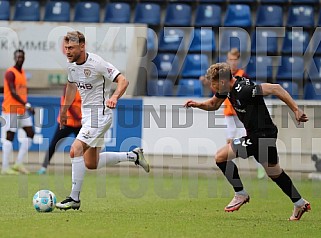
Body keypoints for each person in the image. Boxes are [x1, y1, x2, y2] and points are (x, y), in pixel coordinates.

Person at [184, 62, 310, 220]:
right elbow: (214, 104)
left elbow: (276, 88)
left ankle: (240, 194)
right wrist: (198, 105)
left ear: (222, 81)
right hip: (264, 134)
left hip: (261, 136)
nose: (212, 87)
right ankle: (299, 203)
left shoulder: (245, 89)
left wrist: (296, 109)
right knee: (274, 172)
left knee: (220, 157)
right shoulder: (227, 88)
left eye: (213, 84)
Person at [55, 31, 150, 211]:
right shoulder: (72, 66)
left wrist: (114, 97)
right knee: (91, 163)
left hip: (100, 115)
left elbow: (123, 80)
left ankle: (74, 198)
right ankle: (134, 156)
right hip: (88, 117)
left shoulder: (97, 63)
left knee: (75, 150)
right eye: (66, 48)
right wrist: (65, 110)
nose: (67, 51)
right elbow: (71, 86)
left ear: (82, 46)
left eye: (71, 48)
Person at [201, 48, 266, 179]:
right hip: (229, 113)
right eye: (230, 60)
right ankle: (231, 169)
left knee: (249, 142)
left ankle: (261, 167)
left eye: (235, 60)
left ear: (238, 61)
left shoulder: (242, 75)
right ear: (227, 61)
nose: (233, 63)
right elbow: (217, 94)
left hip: (242, 115)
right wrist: (207, 84)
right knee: (230, 142)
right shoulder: (221, 77)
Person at [1, 49, 35, 175]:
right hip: (11, 109)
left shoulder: (23, 73)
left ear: (24, 58)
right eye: (18, 57)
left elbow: (22, 91)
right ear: (14, 58)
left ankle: (18, 163)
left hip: (21, 109)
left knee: (30, 133)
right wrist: (26, 104)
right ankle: (5, 166)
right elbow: (13, 92)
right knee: (10, 136)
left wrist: (25, 105)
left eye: (22, 57)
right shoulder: (10, 73)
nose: (20, 59)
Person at [37, 86, 82, 175]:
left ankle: (82, 167)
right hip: (66, 122)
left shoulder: (83, 87)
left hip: (79, 123)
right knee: (54, 143)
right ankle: (44, 167)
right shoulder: (69, 87)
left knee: (84, 146)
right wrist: (79, 118)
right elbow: (69, 105)